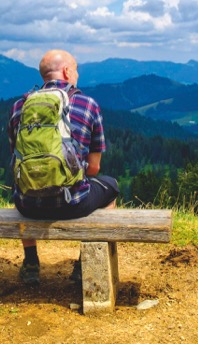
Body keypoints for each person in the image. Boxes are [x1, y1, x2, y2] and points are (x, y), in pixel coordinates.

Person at [7, 49, 119, 285]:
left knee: (21, 187)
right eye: (76, 69)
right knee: (111, 188)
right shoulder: (88, 104)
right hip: (72, 203)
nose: (77, 74)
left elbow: (16, 161)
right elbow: (94, 169)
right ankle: (84, 263)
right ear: (67, 71)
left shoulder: (20, 106)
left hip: (27, 204)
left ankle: (30, 263)